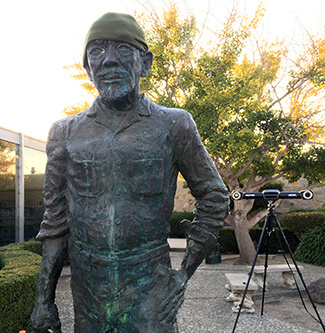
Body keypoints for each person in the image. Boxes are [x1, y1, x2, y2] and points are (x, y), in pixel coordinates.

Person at [31, 12, 229, 333]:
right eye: (96, 52)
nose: (109, 60)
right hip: (88, 286)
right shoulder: (64, 132)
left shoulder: (174, 124)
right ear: (87, 68)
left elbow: (214, 195)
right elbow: (54, 223)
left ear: (145, 63)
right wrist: (44, 300)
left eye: (123, 50)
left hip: (149, 281)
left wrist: (183, 274)